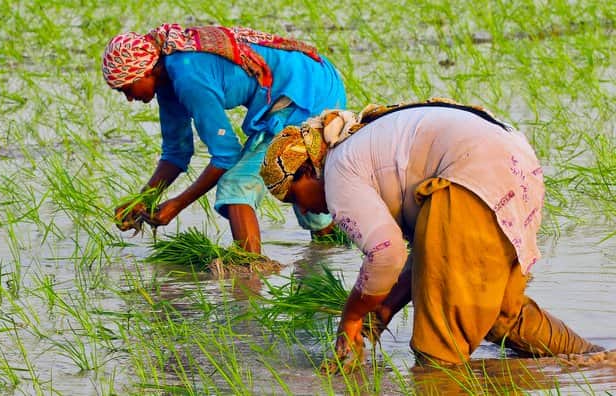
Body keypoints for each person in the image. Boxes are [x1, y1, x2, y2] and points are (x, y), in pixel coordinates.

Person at [259, 98, 604, 371]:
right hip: (515, 170)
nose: (304, 211)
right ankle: (600, 362)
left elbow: (387, 254)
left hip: (470, 179)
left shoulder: (338, 170)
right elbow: (430, 255)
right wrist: (381, 312)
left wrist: (350, 316)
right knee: (502, 317)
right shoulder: (363, 146)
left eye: (294, 198)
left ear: (305, 171)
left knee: (437, 352)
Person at [103, 23, 346, 253]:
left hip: (306, 92)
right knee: (301, 180)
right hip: (311, 82)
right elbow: (176, 153)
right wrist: (143, 199)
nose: (129, 98)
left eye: (126, 89)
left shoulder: (188, 75)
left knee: (236, 184)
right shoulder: (169, 81)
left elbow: (226, 154)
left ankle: (248, 277)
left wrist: (177, 204)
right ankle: (333, 255)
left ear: (145, 71)